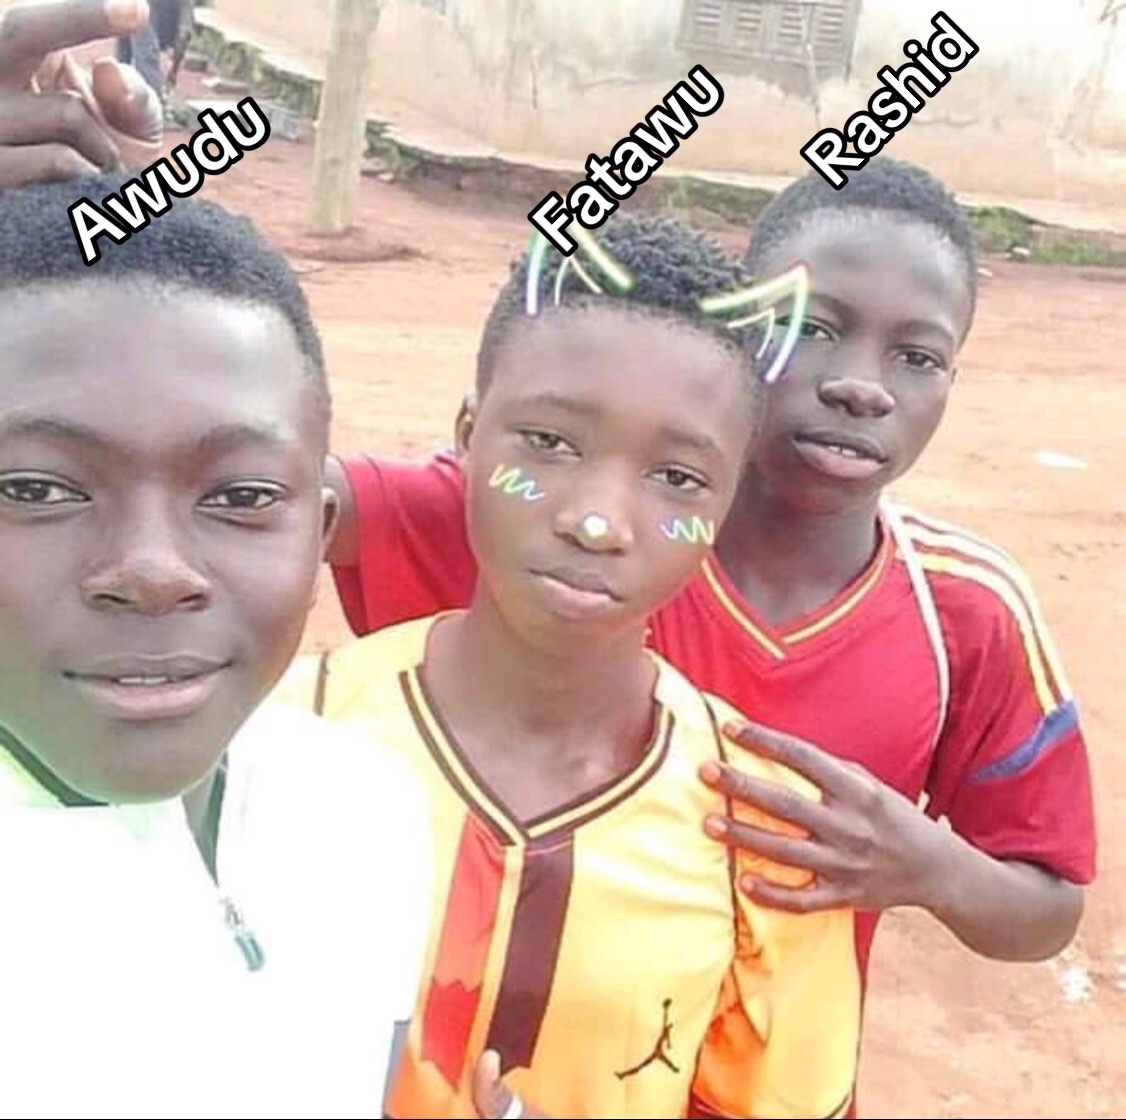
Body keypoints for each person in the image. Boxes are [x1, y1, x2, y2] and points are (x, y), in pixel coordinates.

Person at [316, 160, 1097, 1116]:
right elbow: (269, 497)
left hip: (769, 1075)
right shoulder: (562, 524)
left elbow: (1047, 909)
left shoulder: (966, 610)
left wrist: (924, 867)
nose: (860, 387)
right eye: (815, 329)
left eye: (919, 356)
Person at [284, 215, 863, 1119]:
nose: (597, 521)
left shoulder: (763, 835)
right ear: (468, 435)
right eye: (549, 444)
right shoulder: (287, 742)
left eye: (677, 478)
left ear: (725, 504)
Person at [0, 176, 432, 1118]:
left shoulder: (366, 811)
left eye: (240, 496)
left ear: (320, 536)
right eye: (34, 489)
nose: (153, 571)